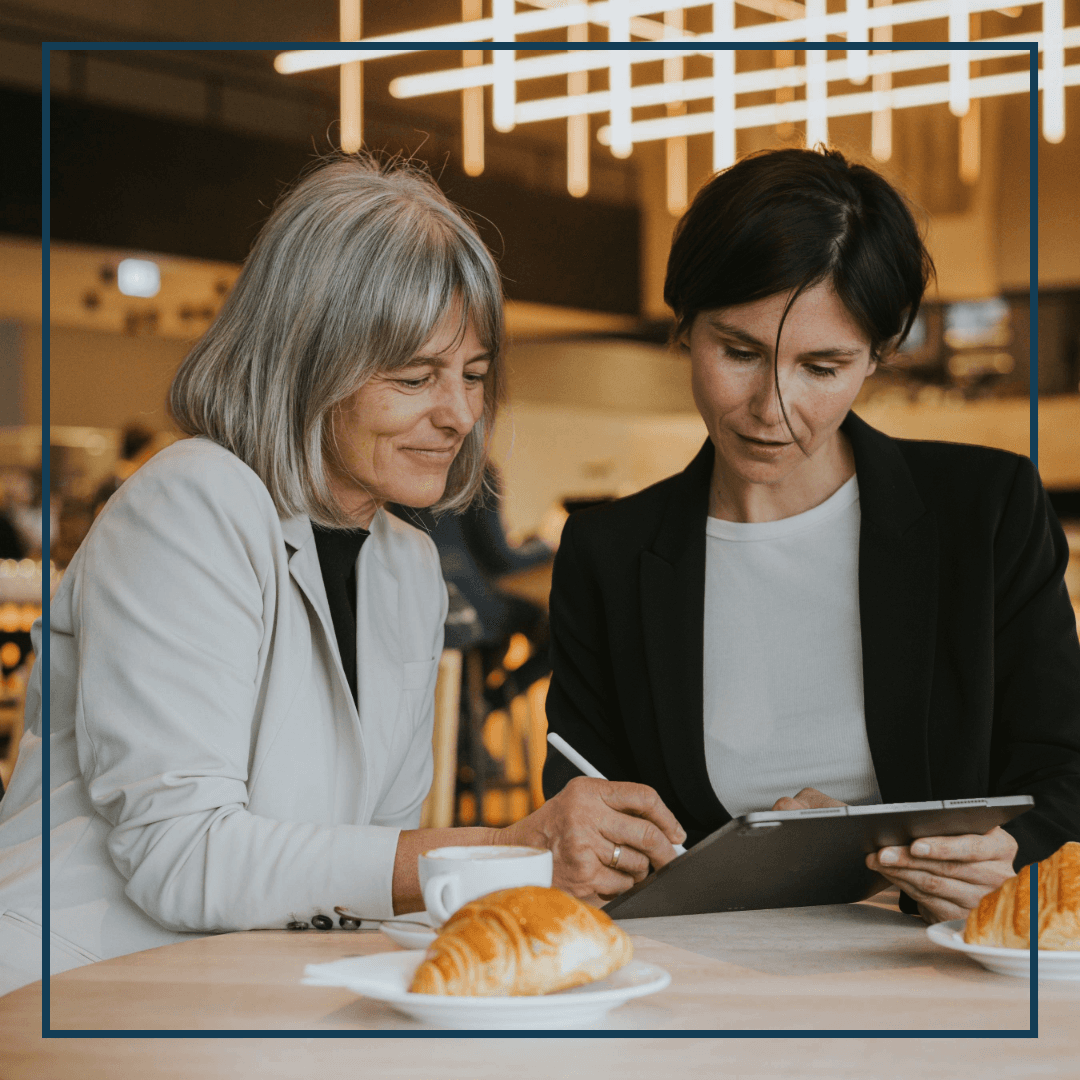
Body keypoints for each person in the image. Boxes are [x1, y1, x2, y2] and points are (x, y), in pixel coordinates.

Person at [0, 155, 683, 997]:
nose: (459, 415)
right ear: (307, 363)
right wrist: (507, 849)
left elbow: (363, 868)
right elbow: (181, 855)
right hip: (78, 985)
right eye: (415, 378)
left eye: (472, 377)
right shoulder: (191, 500)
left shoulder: (407, 564)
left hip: (254, 988)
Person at [542, 147, 1080, 925]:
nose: (772, 408)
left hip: (933, 961)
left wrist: (1008, 854)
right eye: (739, 353)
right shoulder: (609, 554)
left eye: (822, 368)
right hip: (696, 968)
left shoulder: (985, 512)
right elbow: (584, 807)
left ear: (876, 357)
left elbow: (1065, 771)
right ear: (683, 326)